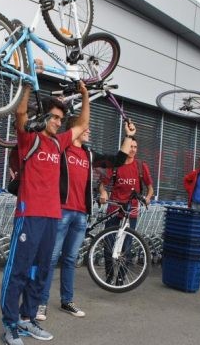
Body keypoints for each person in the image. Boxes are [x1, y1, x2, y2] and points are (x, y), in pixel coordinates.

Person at [0, 82, 89, 345]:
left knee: (39, 272)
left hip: (53, 215)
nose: (60, 123)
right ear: (44, 116)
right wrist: (28, 86)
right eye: (56, 118)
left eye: (62, 119)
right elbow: (20, 114)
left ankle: (28, 319)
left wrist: (85, 96)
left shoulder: (57, 144)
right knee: (19, 270)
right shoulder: (30, 137)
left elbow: (81, 126)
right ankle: (9, 324)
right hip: (29, 215)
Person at [36, 119, 136, 321]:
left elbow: (116, 159)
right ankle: (40, 302)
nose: (89, 131)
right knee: (51, 258)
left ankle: (67, 301)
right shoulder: (60, 149)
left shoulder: (88, 154)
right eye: (85, 128)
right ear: (75, 130)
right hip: (61, 212)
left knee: (71, 259)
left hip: (81, 214)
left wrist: (129, 136)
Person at [98, 136, 154, 284]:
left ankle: (121, 277)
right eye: (130, 146)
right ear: (124, 146)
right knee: (108, 243)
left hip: (131, 209)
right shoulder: (115, 165)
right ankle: (109, 275)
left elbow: (150, 188)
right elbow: (103, 184)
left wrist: (147, 197)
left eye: (135, 147)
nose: (133, 149)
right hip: (114, 208)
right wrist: (103, 192)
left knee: (127, 246)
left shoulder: (141, 166)